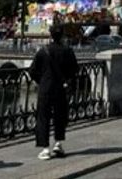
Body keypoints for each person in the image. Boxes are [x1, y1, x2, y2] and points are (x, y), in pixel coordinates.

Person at [30, 24, 79, 160]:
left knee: (43, 117)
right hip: (60, 87)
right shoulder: (67, 50)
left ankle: (45, 148)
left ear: (50, 35)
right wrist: (66, 79)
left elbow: (32, 70)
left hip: (45, 87)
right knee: (60, 116)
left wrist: (42, 81)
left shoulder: (43, 51)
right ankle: (58, 143)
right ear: (62, 35)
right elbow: (74, 69)